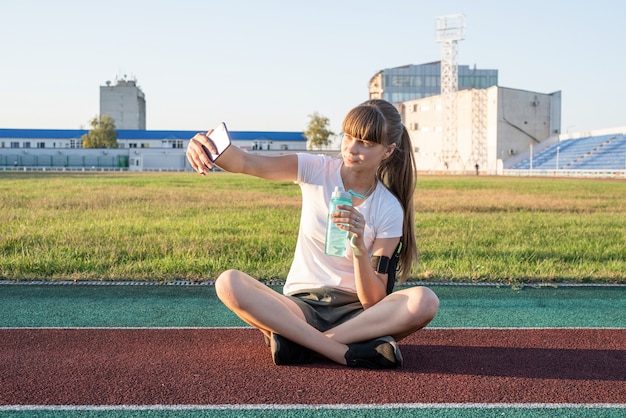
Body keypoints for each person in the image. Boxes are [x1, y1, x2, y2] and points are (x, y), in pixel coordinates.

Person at [186, 99, 439, 369]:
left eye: (365, 143)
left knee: (425, 301)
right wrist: (204, 147)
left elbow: (374, 301)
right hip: (300, 307)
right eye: (349, 137)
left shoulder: (388, 208)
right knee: (228, 283)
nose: (351, 149)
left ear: (387, 151)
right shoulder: (315, 169)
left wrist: (358, 248)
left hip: (358, 317)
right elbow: (247, 161)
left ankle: (298, 343)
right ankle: (341, 352)